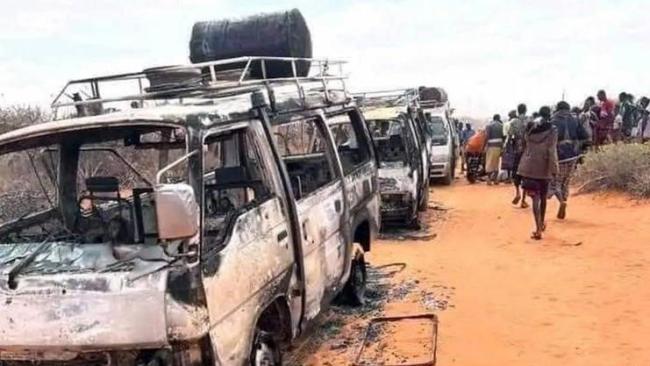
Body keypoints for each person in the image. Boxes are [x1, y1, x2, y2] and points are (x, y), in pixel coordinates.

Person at [517, 106, 558, 240]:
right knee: (543, 197)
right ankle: (541, 224)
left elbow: (525, 144)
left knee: (534, 198)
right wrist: (554, 169)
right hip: (544, 166)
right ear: (550, 114)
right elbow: (552, 151)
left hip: (529, 166)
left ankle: (538, 227)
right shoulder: (552, 130)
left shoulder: (530, 127)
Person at [549, 101, 588, 219]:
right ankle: (564, 200)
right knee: (567, 181)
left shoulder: (553, 120)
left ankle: (561, 201)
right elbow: (585, 136)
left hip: (559, 155)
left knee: (556, 181)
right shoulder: (575, 119)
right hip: (573, 154)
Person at [508, 103, 529, 208]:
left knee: (516, 173)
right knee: (526, 175)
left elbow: (510, 135)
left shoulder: (514, 122)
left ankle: (517, 193)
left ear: (518, 111)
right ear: (526, 110)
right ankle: (524, 200)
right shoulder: (530, 120)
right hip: (528, 152)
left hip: (517, 150)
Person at [485, 114, 504, 185]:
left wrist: (485, 145)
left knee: (490, 162)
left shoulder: (489, 125)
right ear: (499, 118)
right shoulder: (502, 126)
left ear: (493, 118)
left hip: (491, 146)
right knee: (496, 163)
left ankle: (489, 178)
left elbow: (487, 136)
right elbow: (503, 137)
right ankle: (495, 179)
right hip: (499, 146)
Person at [501, 111, 518, 182]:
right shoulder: (519, 122)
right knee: (515, 160)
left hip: (509, 143)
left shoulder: (507, 124)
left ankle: (509, 177)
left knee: (508, 160)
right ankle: (514, 177)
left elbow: (504, 135)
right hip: (517, 143)